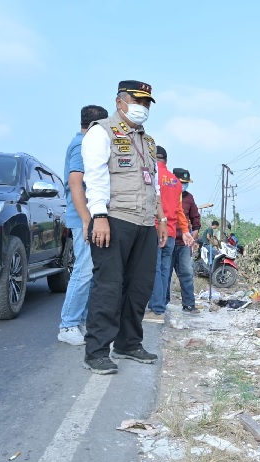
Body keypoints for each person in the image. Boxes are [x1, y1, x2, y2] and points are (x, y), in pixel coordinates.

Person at [80, 79, 167, 375]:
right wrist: (99, 216)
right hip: (113, 218)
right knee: (109, 286)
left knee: (139, 287)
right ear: (120, 102)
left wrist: (160, 219)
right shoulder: (101, 131)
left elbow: (153, 183)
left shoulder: (148, 140)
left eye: (146, 103)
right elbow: (94, 176)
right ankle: (96, 351)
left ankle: (129, 343)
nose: (141, 108)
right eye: (137, 101)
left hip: (143, 222)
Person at [57, 105, 109, 346]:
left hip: (86, 217)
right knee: (84, 270)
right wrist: (88, 221)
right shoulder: (81, 145)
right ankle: (68, 324)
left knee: (91, 271)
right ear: (97, 125)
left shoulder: (82, 142)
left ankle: (80, 321)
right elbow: (76, 183)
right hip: (83, 219)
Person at [146, 146, 193, 322]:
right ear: (166, 160)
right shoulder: (176, 182)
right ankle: (161, 306)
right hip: (172, 231)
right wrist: (185, 231)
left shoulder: (151, 176)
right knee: (165, 270)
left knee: (155, 269)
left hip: (157, 228)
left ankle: (156, 309)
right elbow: (179, 210)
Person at [168, 168, 199, 314]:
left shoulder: (189, 198)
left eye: (186, 184)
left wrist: (193, 235)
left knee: (186, 273)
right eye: (182, 183)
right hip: (168, 240)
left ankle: (189, 304)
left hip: (184, 244)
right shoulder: (167, 195)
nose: (184, 186)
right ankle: (162, 304)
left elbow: (195, 219)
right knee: (165, 274)